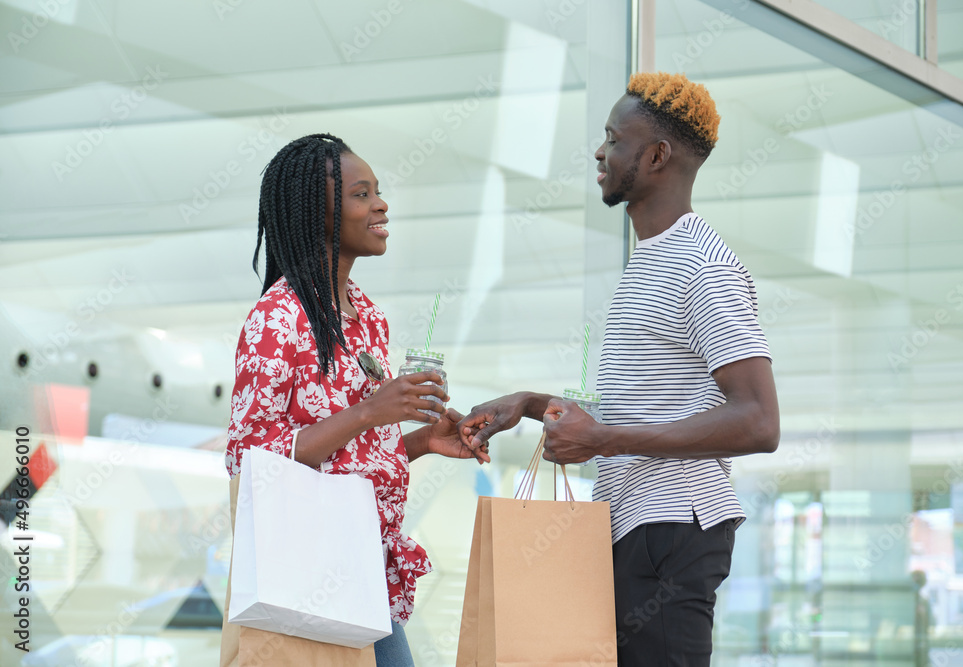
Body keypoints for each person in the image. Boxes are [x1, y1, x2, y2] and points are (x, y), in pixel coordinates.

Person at [458, 73, 780, 666]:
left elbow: (758, 422)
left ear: (656, 155)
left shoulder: (704, 265)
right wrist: (529, 404)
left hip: (673, 528)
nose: (600, 152)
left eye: (613, 138)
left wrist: (603, 439)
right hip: (637, 526)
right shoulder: (651, 260)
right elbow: (647, 413)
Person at [225, 133, 489, 666]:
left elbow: (355, 452)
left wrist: (418, 440)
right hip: (309, 575)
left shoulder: (368, 315)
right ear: (314, 211)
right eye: (360, 194)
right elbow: (246, 458)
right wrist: (370, 411)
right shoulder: (277, 318)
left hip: (366, 566)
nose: (381, 204)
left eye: (378, 192)